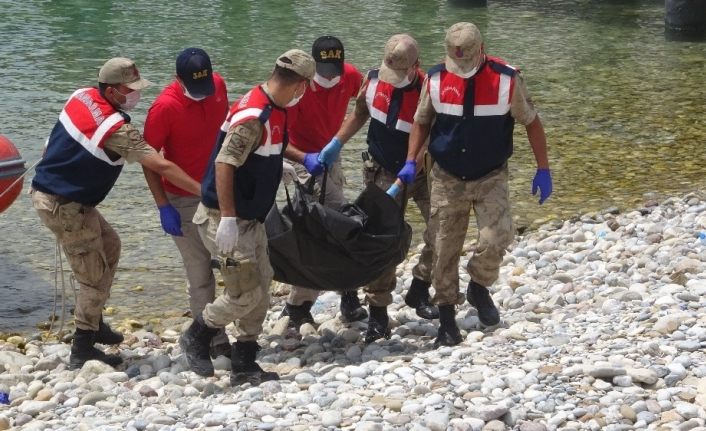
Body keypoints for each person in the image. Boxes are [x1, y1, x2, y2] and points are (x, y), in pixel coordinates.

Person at [31, 57, 202, 369]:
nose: (136, 95)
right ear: (110, 91)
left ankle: (93, 322)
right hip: (64, 206)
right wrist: (204, 192)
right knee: (92, 278)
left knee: (110, 246)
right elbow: (160, 164)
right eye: (129, 90)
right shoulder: (116, 130)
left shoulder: (81, 95)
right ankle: (82, 348)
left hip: (65, 198)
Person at [402, 22, 553, 348]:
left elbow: (531, 121)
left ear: (481, 50)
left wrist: (543, 168)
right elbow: (421, 121)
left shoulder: (507, 79)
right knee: (444, 249)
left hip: (490, 175)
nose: (463, 70)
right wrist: (411, 160)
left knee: (497, 236)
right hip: (446, 176)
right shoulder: (437, 79)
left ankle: (479, 287)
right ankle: (446, 321)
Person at [179, 49, 316, 386]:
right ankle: (197, 334)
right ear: (299, 85)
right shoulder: (254, 115)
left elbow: (264, 149)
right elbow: (225, 163)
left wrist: (285, 165)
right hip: (226, 220)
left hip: (252, 219)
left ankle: (245, 362)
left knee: (263, 288)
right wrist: (227, 217)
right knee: (244, 294)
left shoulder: (275, 108)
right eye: (305, 88)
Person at [324, 34, 439, 344]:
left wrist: (412, 166)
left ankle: (419, 287)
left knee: (443, 232)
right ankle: (378, 314)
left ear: (417, 66)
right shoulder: (373, 80)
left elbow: (431, 131)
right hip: (382, 172)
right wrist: (337, 142)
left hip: (423, 172)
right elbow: (360, 113)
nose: (393, 80)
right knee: (380, 241)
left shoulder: (430, 88)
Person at [142, 48, 231, 358]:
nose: (201, 94)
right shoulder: (164, 107)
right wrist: (162, 204)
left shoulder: (217, 85)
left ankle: (240, 328)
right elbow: (148, 159)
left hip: (220, 190)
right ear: (177, 80)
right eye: (193, 89)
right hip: (183, 197)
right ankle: (211, 338)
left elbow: (228, 133)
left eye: (203, 86)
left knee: (235, 261)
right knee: (199, 272)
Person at [280, 35, 367, 328]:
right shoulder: (297, 87)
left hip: (331, 153)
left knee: (334, 223)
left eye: (335, 70)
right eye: (325, 71)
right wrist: (305, 159)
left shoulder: (351, 76)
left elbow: (363, 106)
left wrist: (339, 141)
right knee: (321, 225)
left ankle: (340, 295)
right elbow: (277, 136)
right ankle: (302, 303)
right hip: (300, 156)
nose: (331, 77)